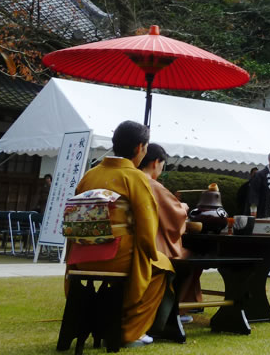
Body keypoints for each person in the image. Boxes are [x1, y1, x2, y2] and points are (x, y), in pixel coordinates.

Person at [66, 120, 172, 347]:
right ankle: (128, 332)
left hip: (80, 257)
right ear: (139, 148)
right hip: (115, 258)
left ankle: (100, 321)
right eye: (145, 147)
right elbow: (146, 227)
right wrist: (152, 253)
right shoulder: (135, 177)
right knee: (162, 268)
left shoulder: (89, 175)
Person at [138, 143, 201, 306]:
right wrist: (184, 207)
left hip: (131, 244)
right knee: (192, 258)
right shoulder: (151, 184)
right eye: (162, 165)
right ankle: (178, 307)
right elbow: (176, 215)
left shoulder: (130, 179)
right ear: (155, 162)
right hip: (151, 248)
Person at [248, 152, 270, 219]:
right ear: (269, 160)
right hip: (260, 210)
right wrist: (253, 210)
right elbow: (254, 193)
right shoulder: (259, 174)